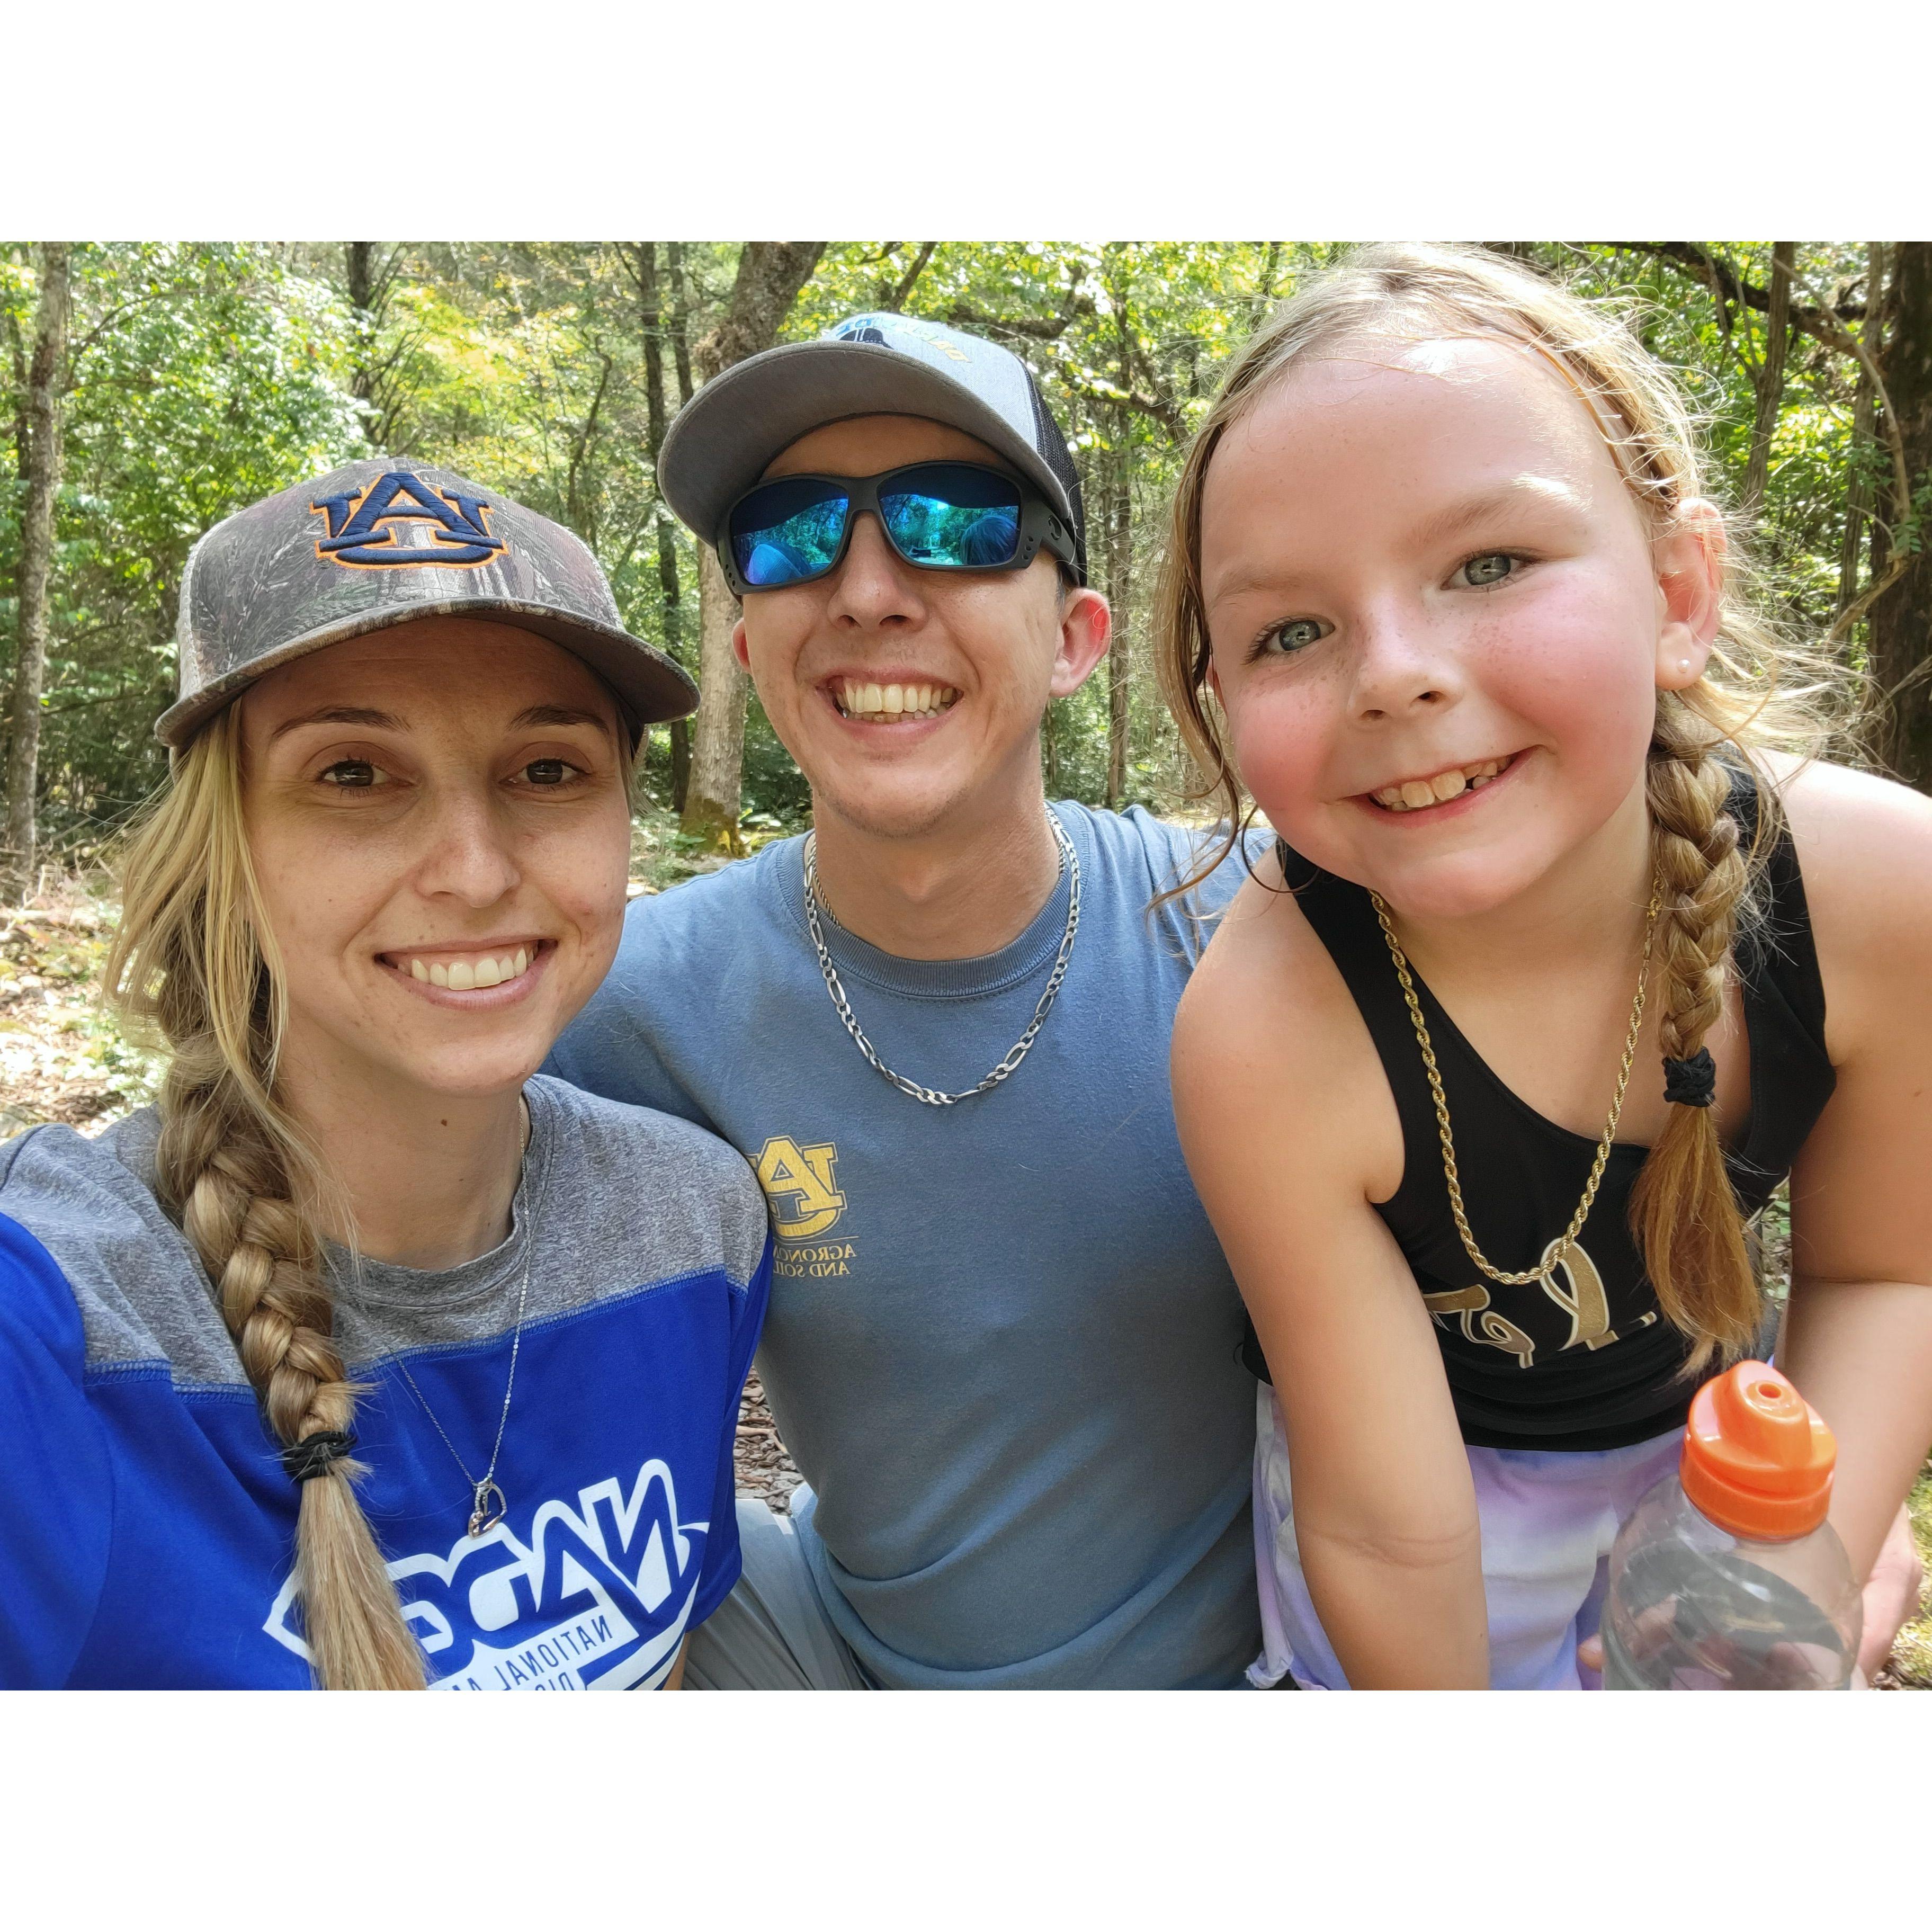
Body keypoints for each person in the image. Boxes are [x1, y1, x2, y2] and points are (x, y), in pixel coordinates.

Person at [1162, 244, 1932, 1689]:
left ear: (1678, 592)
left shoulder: (1880, 896)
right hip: (1406, 1514)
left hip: (1719, 1469)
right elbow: (1386, 1530)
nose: (1394, 672)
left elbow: (1891, 1274)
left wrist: (1806, 1556)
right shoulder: (1270, 1031)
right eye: (1293, 630)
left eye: (1490, 564)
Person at [549, 312, 1269, 1688]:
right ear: (750, 648)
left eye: (957, 523)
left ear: (1075, 639)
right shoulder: (634, 1000)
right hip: (834, 1664)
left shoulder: (1246, 928)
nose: (868, 590)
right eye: (793, 536)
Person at [0, 459, 771, 1689]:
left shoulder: (692, 1224)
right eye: (354, 774)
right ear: (227, 847)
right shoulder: (65, 1326)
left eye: (548, 770)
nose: (474, 872)